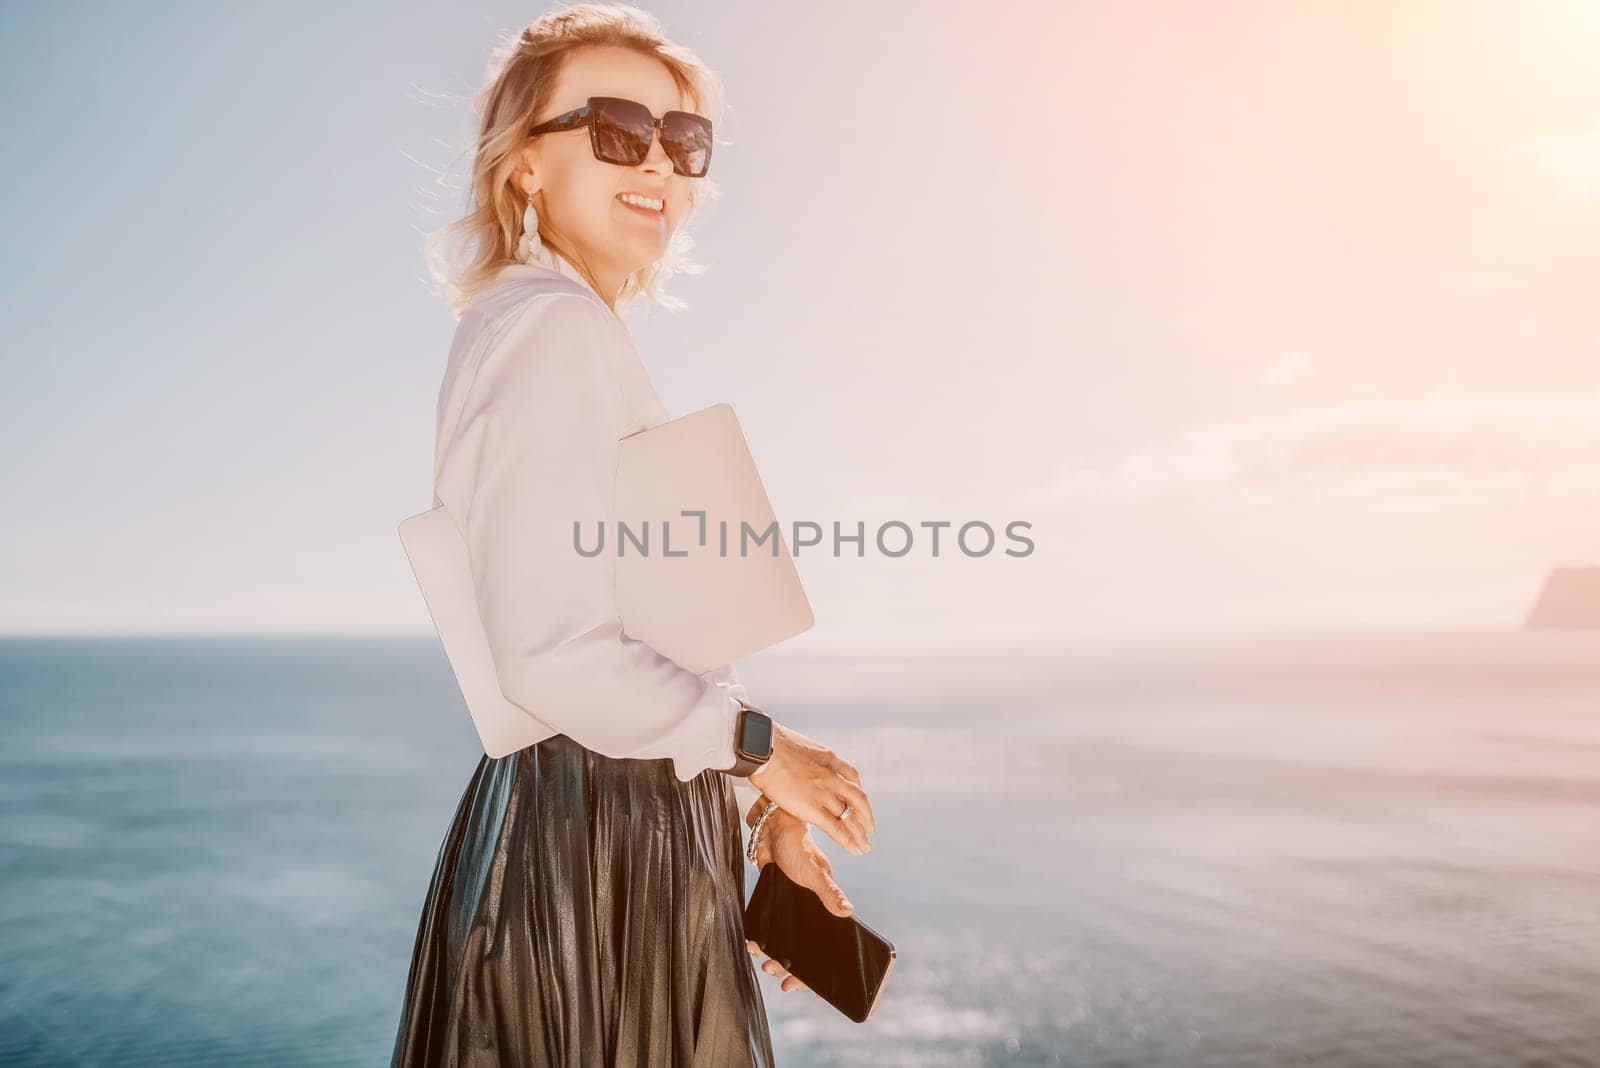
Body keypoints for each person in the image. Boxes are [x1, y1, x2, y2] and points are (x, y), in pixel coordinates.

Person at [389, 6, 876, 1066]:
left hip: (608, 841)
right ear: (524, 164)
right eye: (614, 127)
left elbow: (640, 634)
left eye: (682, 138)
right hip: (593, 861)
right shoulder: (551, 331)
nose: (656, 158)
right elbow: (553, 655)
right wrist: (761, 751)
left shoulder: (554, 329)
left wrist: (760, 802)